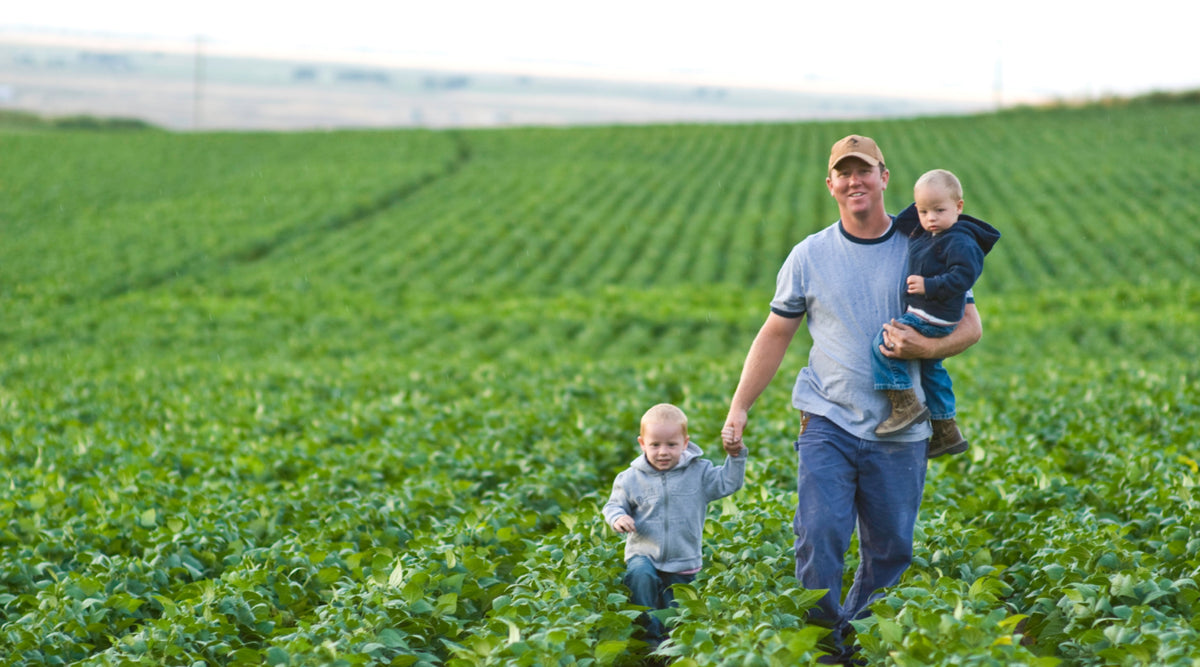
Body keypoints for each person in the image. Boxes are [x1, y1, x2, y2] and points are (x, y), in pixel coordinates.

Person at [721, 135, 982, 665]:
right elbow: (775, 333)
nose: (854, 180)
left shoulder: (925, 246)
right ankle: (822, 646)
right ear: (831, 184)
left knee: (890, 550)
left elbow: (971, 327)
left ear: (885, 178)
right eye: (844, 172)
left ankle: (859, 642)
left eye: (865, 170)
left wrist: (925, 346)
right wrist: (740, 404)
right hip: (827, 418)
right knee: (820, 534)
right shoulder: (810, 255)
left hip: (901, 426)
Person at [872, 169, 1000, 458]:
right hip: (935, 313)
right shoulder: (927, 230)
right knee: (931, 368)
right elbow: (903, 221)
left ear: (959, 207)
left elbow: (963, 277)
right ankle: (946, 429)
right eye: (924, 211)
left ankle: (904, 405)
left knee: (883, 344)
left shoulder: (959, 240)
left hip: (934, 314)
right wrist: (923, 202)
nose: (930, 219)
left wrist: (928, 286)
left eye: (939, 210)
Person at [603, 403, 747, 646]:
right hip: (644, 552)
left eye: (671, 445)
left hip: (684, 559)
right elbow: (613, 505)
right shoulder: (630, 478)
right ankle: (648, 640)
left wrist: (735, 456)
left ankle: (671, 648)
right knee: (641, 576)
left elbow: (727, 483)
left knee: (676, 618)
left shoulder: (699, 473)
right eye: (655, 445)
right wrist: (618, 517)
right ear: (642, 443)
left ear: (685, 442)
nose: (663, 452)